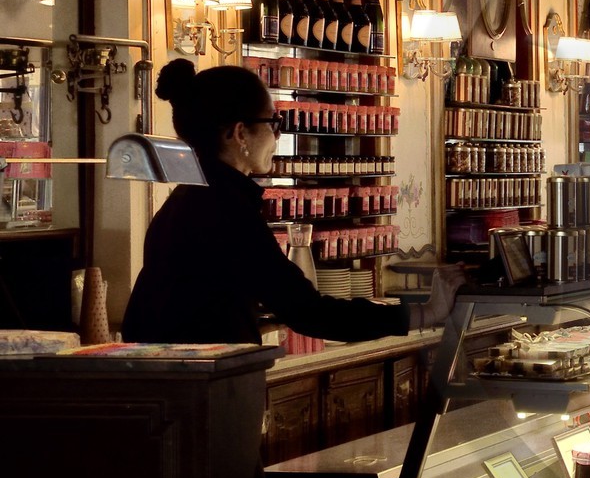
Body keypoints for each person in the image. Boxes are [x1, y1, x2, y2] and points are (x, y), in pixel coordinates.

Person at [123, 60, 465, 345]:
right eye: (274, 123)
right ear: (240, 133)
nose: (278, 136)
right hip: (206, 394)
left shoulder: (189, 198)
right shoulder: (225, 209)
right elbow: (307, 312)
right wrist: (426, 314)